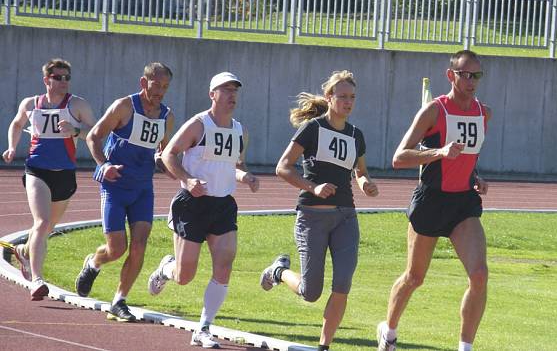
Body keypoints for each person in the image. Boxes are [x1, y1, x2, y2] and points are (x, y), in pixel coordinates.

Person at [376, 50, 492, 351]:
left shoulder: (483, 113)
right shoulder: (434, 111)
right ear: (450, 75)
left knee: (479, 275)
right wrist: (438, 152)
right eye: (464, 74)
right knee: (414, 278)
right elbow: (399, 157)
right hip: (431, 200)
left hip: (463, 204)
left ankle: (465, 347)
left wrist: (475, 175)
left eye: (475, 75)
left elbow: (468, 154)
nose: (470, 81)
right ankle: (388, 330)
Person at [260, 70, 378, 351]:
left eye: (352, 98)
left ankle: (324, 345)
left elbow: (360, 171)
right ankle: (278, 272)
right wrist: (312, 187)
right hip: (312, 217)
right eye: (343, 97)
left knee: (343, 283)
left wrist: (366, 184)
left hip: (346, 216)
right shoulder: (313, 128)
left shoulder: (356, 135)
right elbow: (282, 167)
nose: (348, 103)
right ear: (329, 98)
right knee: (311, 292)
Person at [146, 71, 260, 348]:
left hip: (223, 205)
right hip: (192, 205)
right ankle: (166, 269)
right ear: (212, 94)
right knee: (185, 276)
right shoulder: (199, 125)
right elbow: (168, 154)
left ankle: (204, 327)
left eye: (235, 90)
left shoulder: (240, 130)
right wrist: (186, 179)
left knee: (224, 264)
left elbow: (234, 164)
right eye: (226, 90)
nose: (232, 95)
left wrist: (246, 177)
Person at [74, 62, 175, 322]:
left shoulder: (166, 116)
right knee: (117, 249)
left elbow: (164, 154)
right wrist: (104, 165)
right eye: (156, 85)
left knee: (139, 246)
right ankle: (93, 263)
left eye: (165, 87)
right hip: (115, 185)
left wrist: (179, 172)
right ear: (144, 82)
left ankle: (119, 300)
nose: (160, 92)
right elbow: (93, 137)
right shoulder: (124, 107)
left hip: (143, 188)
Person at [2, 58, 96, 301]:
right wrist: (12, 147)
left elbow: (97, 134)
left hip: (64, 174)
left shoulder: (77, 105)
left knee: (45, 229)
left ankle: (24, 251)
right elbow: (16, 123)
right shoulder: (31, 104)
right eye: (58, 77)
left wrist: (75, 131)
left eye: (67, 78)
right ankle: (37, 280)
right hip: (36, 171)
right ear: (47, 80)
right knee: (42, 223)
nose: (63, 82)